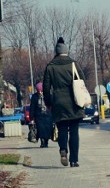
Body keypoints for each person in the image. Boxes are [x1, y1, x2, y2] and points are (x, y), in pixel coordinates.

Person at [43, 37, 85, 167]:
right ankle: (74, 160)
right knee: (74, 131)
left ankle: (62, 150)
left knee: (61, 129)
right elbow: (82, 80)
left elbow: (46, 87)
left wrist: (49, 103)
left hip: (58, 102)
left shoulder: (50, 66)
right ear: (66, 51)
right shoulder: (73, 64)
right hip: (74, 101)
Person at [29, 81, 54, 148]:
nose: (39, 92)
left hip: (48, 115)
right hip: (39, 116)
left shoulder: (48, 95)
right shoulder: (34, 97)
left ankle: (46, 141)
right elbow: (32, 107)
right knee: (40, 129)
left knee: (48, 129)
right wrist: (31, 118)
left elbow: (53, 104)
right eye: (38, 90)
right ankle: (42, 141)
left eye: (40, 90)